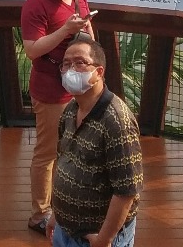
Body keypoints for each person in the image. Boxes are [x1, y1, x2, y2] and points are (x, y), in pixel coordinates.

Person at [21, 0, 94, 235]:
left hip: (80, 84)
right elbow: (32, 49)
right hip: (51, 87)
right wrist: (64, 30)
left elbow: (88, 25)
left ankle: (67, 204)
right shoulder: (36, 5)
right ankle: (40, 213)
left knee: (78, 148)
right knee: (48, 151)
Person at [49, 39, 144, 247]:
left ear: (99, 72)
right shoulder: (71, 110)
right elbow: (64, 162)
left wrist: (104, 239)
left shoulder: (117, 122)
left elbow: (126, 191)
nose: (70, 69)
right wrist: (56, 214)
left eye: (80, 62)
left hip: (95, 238)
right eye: (65, 64)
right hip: (65, 231)